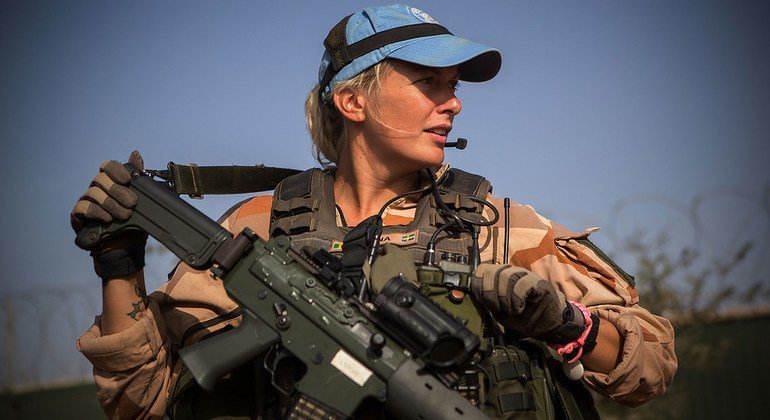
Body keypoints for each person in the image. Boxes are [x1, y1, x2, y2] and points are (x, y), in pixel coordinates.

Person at [72, 4, 676, 419]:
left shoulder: (502, 229)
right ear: (353, 99)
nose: (455, 103)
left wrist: (570, 326)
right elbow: (141, 402)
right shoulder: (255, 229)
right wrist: (118, 264)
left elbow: (648, 369)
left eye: (455, 84)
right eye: (429, 82)